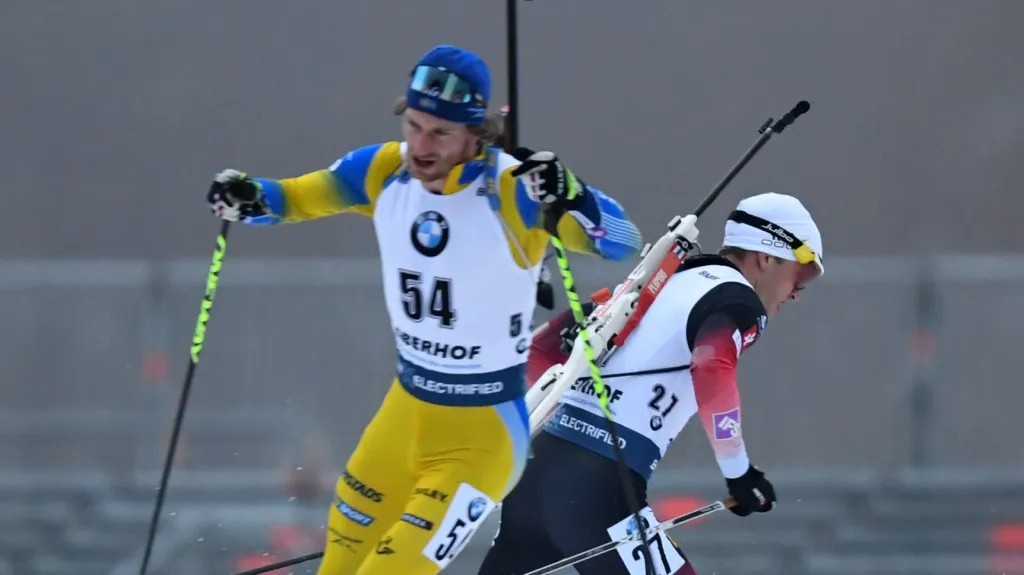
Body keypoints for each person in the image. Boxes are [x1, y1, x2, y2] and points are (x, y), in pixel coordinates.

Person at [204, 44, 643, 575]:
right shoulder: (382, 171)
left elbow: (623, 242)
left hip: (479, 441)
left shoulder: (510, 190)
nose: (421, 145)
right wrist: (248, 197)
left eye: (440, 133)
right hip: (404, 416)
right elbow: (295, 198)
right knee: (340, 564)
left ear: (474, 134)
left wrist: (571, 194)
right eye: (414, 125)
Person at [478, 192, 824, 575]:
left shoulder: (659, 280)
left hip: (536, 475)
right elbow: (711, 365)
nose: (796, 292)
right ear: (767, 256)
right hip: (598, 488)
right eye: (803, 272)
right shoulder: (738, 302)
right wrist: (739, 472)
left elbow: (536, 351)